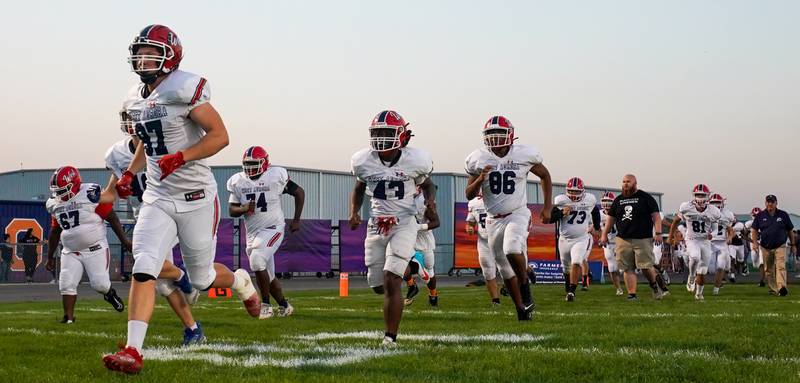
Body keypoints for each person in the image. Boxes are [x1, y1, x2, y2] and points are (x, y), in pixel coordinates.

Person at [103, 25, 259, 374]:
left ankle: (240, 281)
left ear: (170, 56)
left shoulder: (184, 87)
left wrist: (183, 157)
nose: (142, 58)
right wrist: (129, 173)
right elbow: (148, 140)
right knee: (143, 264)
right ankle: (133, 350)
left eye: (150, 52)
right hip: (158, 195)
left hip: (196, 197)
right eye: (139, 52)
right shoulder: (135, 97)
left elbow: (220, 136)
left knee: (201, 278)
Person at [105, 110, 205, 346]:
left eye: (137, 117)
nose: (132, 123)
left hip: (169, 209)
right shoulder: (116, 154)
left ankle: (183, 278)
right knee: (160, 282)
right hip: (146, 214)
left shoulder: (166, 143)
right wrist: (81, 199)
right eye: (128, 117)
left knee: (150, 265)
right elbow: (110, 192)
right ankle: (193, 328)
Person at [349, 110, 437, 346]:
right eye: (377, 132)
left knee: (391, 278)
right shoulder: (363, 160)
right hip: (377, 224)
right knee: (378, 285)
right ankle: (412, 269)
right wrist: (354, 212)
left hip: (404, 223)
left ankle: (390, 337)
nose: (381, 137)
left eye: (387, 132)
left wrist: (430, 201)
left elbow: (428, 185)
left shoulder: (414, 160)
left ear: (401, 135)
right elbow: (358, 188)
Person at [465, 116, 553, 320]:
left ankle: (525, 287)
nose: (495, 140)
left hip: (518, 213)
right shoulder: (478, 158)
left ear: (510, 135)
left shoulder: (524, 154)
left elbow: (545, 175)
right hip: (493, 219)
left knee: (512, 249)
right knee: (504, 270)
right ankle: (521, 309)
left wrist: (547, 206)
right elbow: (469, 194)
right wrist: (480, 178)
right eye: (491, 135)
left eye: (499, 135)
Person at [227, 146, 304, 319]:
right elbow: (232, 210)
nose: (249, 168)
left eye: (253, 164)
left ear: (264, 163)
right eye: (247, 164)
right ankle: (284, 305)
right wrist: (243, 208)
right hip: (253, 233)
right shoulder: (238, 181)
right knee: (267, 275)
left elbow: (299, 192)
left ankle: (266, 305)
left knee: (257, 260)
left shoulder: (275, 176)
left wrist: (296, 219)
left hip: (273, 228)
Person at [45, 166, 127, 323]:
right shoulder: (54, 204)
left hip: (95, 248)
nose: (59, 194)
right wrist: (50, 257)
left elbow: (112, 217)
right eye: (57, 191)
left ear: (74, 184)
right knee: (66, 283)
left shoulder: (89, 195)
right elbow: (55, 231)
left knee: (100, 285)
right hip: (70, 251)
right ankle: (68, 318)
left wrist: (125, 241)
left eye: (63, 190)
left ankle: (109, 293)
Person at [598, 174, 664, 301]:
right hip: (623, 239)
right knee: (627, 268)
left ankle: (654, 285)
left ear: (635, 183)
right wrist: (604, 235)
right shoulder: (618, 200)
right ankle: (632, 294)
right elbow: (610, 219)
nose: (625, 184)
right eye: (623, 181)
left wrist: (658, 233)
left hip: (643, 238)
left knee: (645, 266)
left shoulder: (645, 197)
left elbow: (656, 216)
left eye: (628, 181)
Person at [548, 177, 599, 302]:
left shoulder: (589, 199)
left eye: (576, 191)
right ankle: (568, 288)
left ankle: (571, 291)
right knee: (565, 267)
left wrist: (596, 227)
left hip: (581, 238)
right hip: (564, 239)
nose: (573, 194)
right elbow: (550, 218)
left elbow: (595, 211)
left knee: (576, 262)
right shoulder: (561, 200)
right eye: (571, 191)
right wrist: (561, 213)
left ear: (582, 191)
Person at [667, 184, 721, 300]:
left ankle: (699, 294)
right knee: (695, 257)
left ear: (707, 196)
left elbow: (716, 229)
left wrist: (713, 234)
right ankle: (691, 276)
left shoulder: (714, 211)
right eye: (698, 195)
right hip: (691, 238)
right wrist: (671, 236)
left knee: (702, 271)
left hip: (705, 241)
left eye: (702, 195)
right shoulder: (686, 207)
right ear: (693, 195)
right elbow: (675, 221)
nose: (700, 197)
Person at [394, 186, 440, 307]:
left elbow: (436, 222)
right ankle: (411, 285)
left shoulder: (424, 202)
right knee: (400, 263)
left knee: (429, 271)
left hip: (424, 242)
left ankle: (433, 294)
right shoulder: (401, 200)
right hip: (408, 240)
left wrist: (419, 227)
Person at [750, 195, 796, 296]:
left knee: (780, 267)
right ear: (765, 203)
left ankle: (781, 287)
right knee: (768, 269)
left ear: (776, 203)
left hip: (780, 245)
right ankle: (774, 289)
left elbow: (790, 230)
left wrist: (793, 245)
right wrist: (754, 243)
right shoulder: (760, 215)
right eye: (768, 202)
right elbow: (754, 230)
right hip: (765, 246)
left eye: (772, 202)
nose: (770, 204)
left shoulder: (783, 215)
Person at [466, 194, 501, 305]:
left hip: (501, 238)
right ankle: (495, 301)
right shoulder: (473, 202)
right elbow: (470, 222)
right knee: (488, 271)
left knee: (508, 269)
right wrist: (470, 228)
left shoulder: (500, 197)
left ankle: (525, 273)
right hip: (484, 241)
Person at [708, 193, 735, 295]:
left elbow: (731, 230)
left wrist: (729, 237)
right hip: (709, 244)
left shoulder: (727, 214)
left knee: (720, 267)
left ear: (722, 203)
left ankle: (716, 290)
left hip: (722, 243)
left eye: (717, 202)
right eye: (713, 202)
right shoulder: (706, 213)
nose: (715, 204)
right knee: (710, 269)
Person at [599, 192, 624, 295]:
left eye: (609, 202)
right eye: (604, 201)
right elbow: (596, 229)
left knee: (624, 265)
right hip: (608, 243)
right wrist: (601, 237)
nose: (606, 204)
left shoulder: (620, 212)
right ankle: (618, 288)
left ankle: (623, 272)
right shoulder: (599, 214)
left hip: (620, 241)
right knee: (612, 268)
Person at [745, 207, 765, 286]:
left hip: (763, 244)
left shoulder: (764, 222)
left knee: (761, 262)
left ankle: (762, 280)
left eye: (758, 215)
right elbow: (744, 235)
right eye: (755, 215)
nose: (756, 217)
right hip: (753, 244)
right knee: (754, 261)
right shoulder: (749, 224)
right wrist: (753, 241)